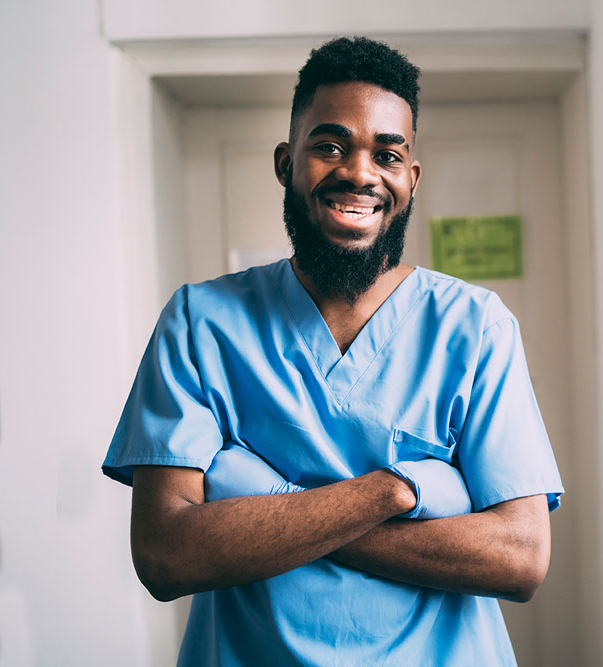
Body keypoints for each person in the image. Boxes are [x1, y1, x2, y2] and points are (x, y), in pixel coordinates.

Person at [102, 36, 563, 666]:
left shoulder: (475, 327)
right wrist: (395, 491)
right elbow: (166, 553)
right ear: (286, 162)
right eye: (329, 146)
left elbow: (519, 558)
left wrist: (257, 507)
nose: (359, 172)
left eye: (388, 154)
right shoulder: (200, 323)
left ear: (412, 178)